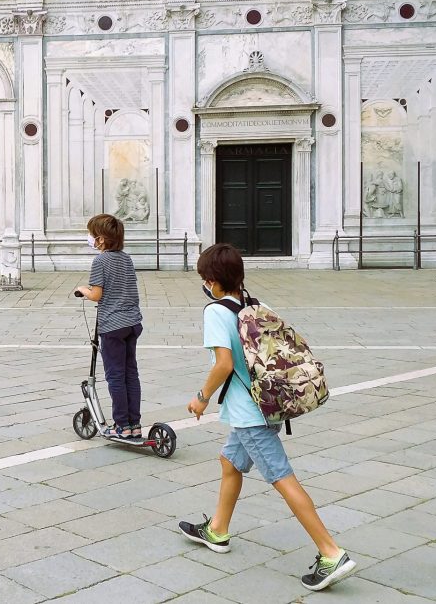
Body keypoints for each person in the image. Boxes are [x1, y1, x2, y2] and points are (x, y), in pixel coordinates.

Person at [179, 243, 357, 592]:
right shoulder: (258, 306)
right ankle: (217, 529)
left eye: (204, 278)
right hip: (269, 404)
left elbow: (224, 364)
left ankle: (331, 552)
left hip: (249, 414)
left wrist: (201, 399)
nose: (204, 284)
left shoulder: (216, 312)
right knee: (230, 461)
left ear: (213, 282)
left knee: (281, 477)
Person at [73, 213, 143, 441]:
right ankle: (135, 423)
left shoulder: (100, 261)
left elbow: (97, 294)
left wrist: (82, 290)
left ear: (101, 240)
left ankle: (122, 425)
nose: (90, 239)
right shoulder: (126, 259)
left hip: (112, 325)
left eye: (92, 235)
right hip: (132, 323)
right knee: (130, 374)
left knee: (115, 376)